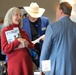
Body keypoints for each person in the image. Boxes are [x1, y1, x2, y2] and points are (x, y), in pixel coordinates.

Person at [40, 2, 76, 75]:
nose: (56, 13)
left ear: (61, 11)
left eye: (57, 11)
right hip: (73, 68)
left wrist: (42, 69)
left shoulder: (52, 27)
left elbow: (46, 51)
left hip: (55, 68)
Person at [1, 7, 34, 75]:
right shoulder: (5, 31)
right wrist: (18, 40)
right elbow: (5, 49)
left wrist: (27, 43)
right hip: (15, 65)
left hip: (27, 63)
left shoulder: (23, 31)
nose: (19, 17)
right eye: (17, 15)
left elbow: (31, 45)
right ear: (10, 16)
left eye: (20, 15)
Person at [22, 2, 50, 68]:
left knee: (44, 71)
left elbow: (49, 34)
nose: (35, 16)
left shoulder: (45, 20)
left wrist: (45, 36)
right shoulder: (23, 22)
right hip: (29, 51)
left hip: (43, 50)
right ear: (29, 13)